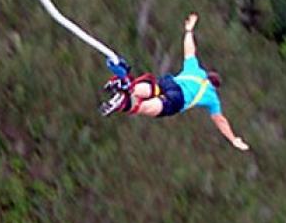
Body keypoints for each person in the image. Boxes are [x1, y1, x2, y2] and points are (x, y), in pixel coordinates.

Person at [100, 13, 250, 151]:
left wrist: (189, 31)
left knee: (154, 88)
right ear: (215, 86)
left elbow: (189, 50)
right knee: (146, 108)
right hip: (178, 98)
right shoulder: (212, 98)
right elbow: (220, 120)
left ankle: (130, 87)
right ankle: (125, 102)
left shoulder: (195, 70)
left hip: (170, 83)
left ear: (206, 74)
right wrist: (233, 139)